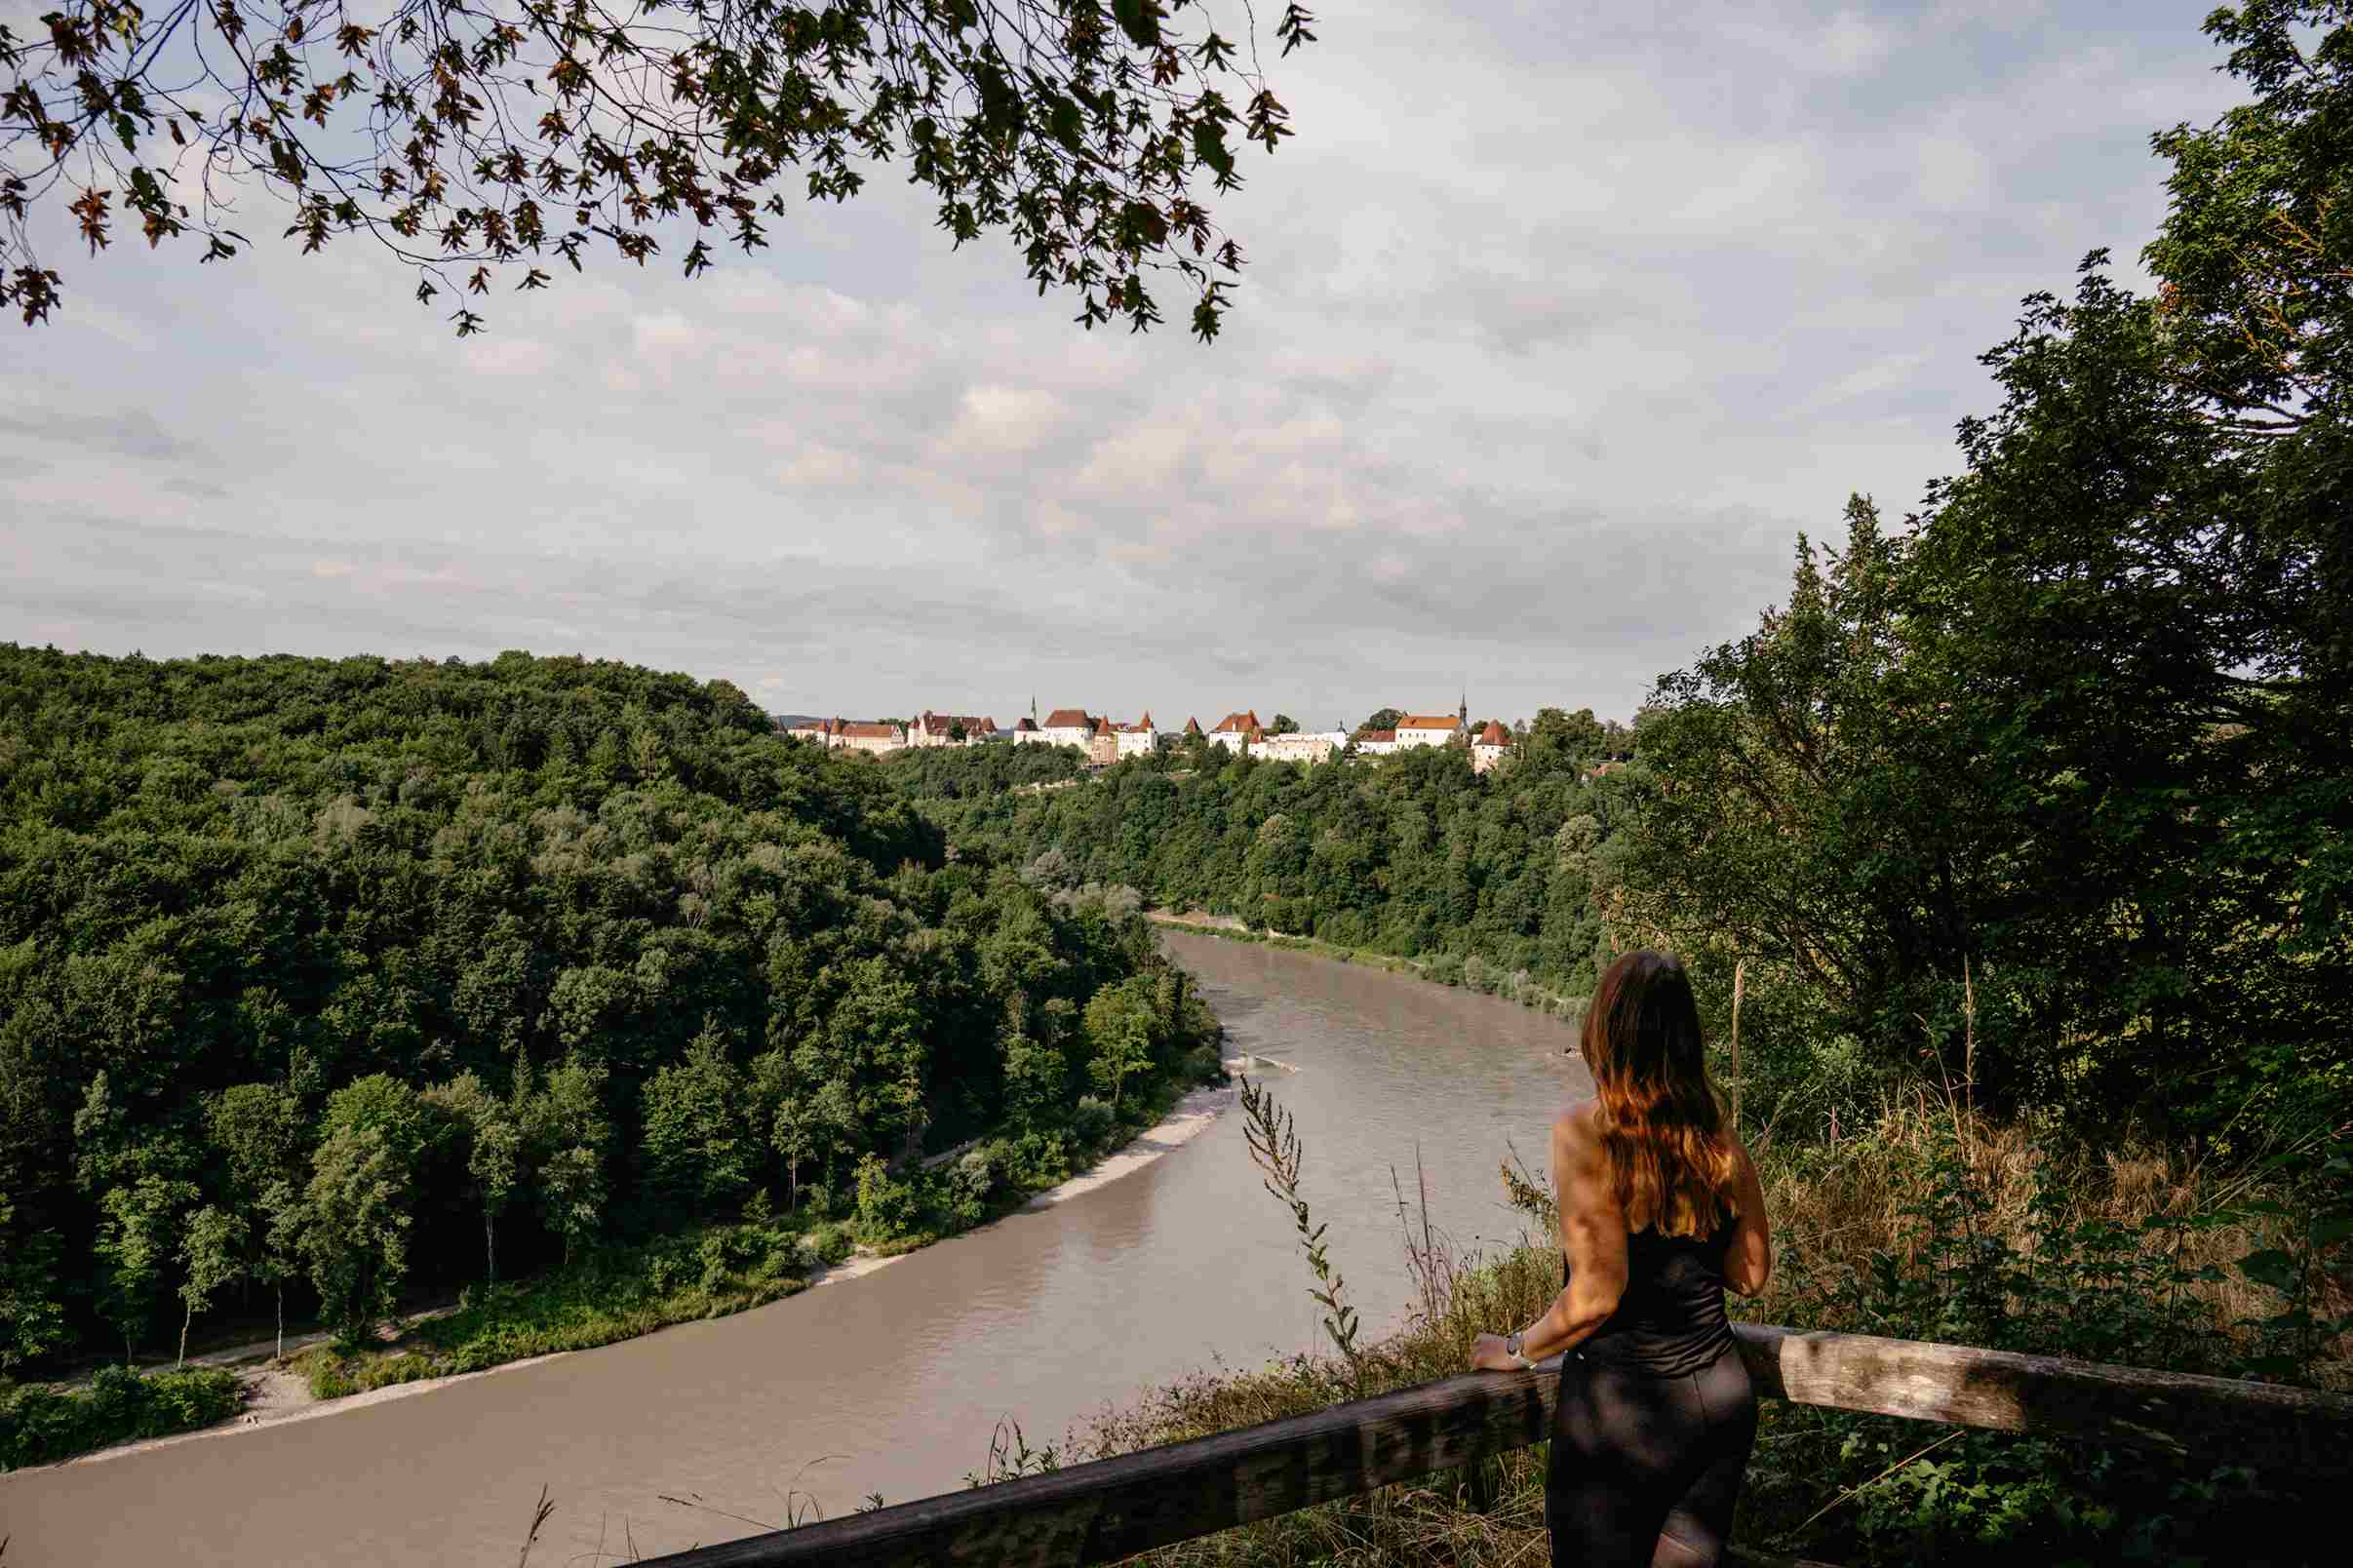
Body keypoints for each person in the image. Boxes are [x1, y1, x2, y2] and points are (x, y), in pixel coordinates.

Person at [1471, 949, 1772, 1567]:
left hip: (1622, 1422)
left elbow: (1597, 1295)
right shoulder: (1715, 1135)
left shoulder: (1584, 1133)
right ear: (1687, 1039)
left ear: (1603, 1033)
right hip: (1718, 1403)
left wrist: (1515, 1349)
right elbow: (1750, 1274)